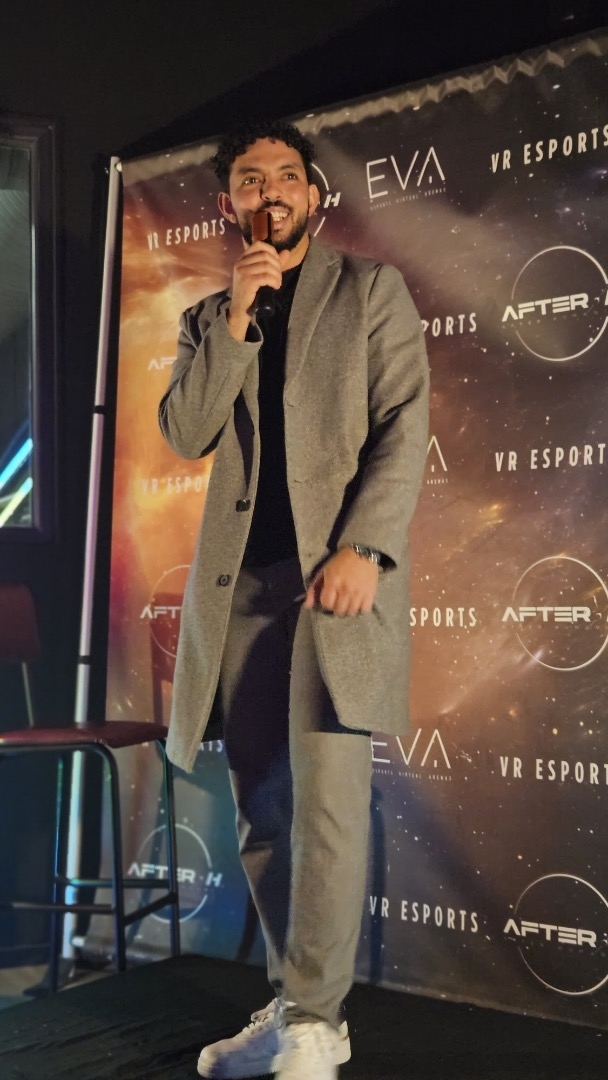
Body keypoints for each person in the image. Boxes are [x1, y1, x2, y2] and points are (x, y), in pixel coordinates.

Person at [158, 119, 429, 1080]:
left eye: (284, 175)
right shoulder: (209, 317)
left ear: (314, 193)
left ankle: (315, 1019)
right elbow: (186, 431)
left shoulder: (369, 289)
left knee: (327, 809)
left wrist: (365, 546)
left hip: (331, 586)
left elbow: (404, 423)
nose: (268, 190)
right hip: (238, 592)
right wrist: (237, 318)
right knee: (262, 808)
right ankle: (297, 1007)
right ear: (228, 202)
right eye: (249, 178)